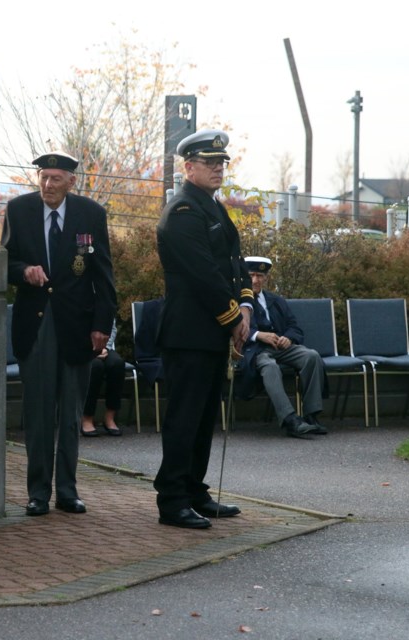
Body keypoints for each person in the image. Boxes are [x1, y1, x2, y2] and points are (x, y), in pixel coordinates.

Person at [2, 151, 116, 516]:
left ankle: (68, 491)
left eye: (55, 179)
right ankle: (38, 492)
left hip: (77, 327)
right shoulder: (19, 210)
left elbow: (104, 276)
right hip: (35, 324)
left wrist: (102, 325)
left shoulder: (91, 214)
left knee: (70, 413)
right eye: (43, 177)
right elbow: (4, 260)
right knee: (37, 413)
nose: (47, 185)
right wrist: (24, 272)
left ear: (71, 181)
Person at [153, 129, 252, 530]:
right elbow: (204, 276)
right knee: (184, 419)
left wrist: (245, 303)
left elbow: (234, 261)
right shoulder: (182, 212)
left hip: (212, 331)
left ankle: (194, 490)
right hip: (190, 333)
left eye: (221, 163)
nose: (217, 169)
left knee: (204, 417)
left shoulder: (213, 207)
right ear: (188, 167)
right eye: (209, 163)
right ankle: (172, 500)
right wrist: (234, 320)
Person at [238, 257, 325, 438]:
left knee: (312, 356)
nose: (255, 280)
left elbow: (294, 327)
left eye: (260, 276)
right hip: (255, 350)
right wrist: (258, 335)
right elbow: (234, 329)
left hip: (280, 346)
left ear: (266, 278)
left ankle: (312, 415)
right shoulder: (237, 301)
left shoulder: (276, 300)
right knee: (270, 367)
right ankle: (290, 420)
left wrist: (289, 338)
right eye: (251, 275)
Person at [81, 320, 124, 437]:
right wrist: (91, 349)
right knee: (95, 367)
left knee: (117, 364)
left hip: (104, 346)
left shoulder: (104, 303)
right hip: (82, 349)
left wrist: (105, 347)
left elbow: (112, 328)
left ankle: (110, 417)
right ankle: (87, 418)